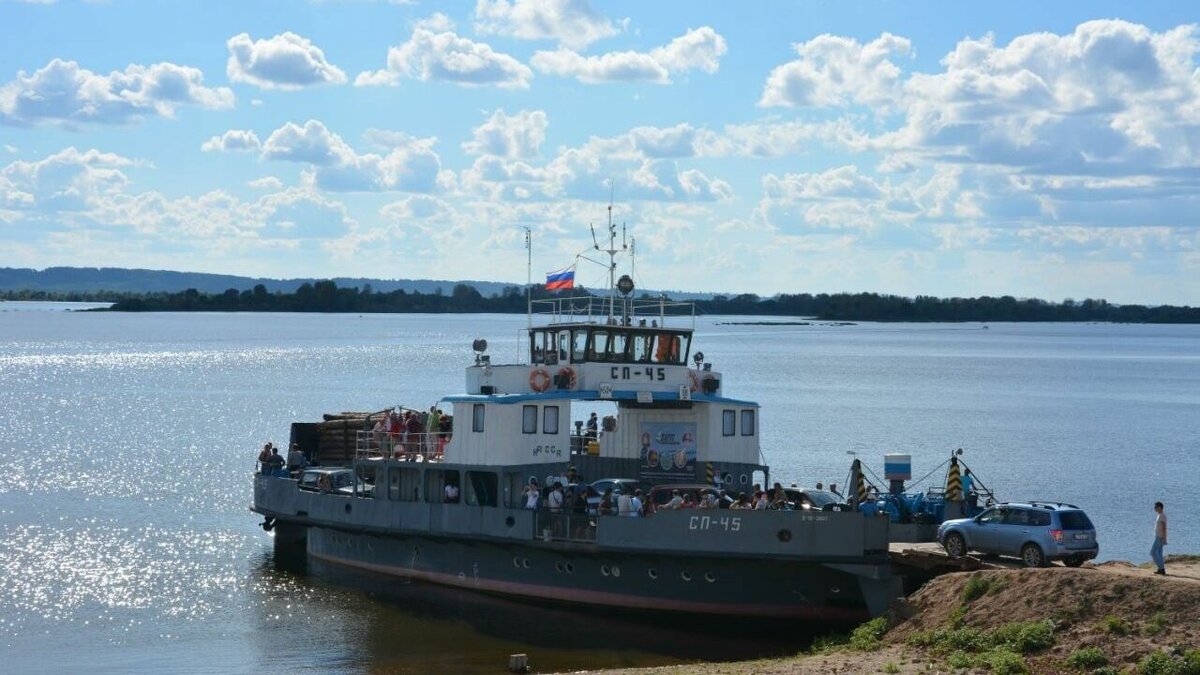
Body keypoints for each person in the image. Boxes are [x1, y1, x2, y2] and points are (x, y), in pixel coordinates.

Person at [1152, 501, 1168, 575]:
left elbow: (1164, 528)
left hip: (1159, 537)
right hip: (1159, 536)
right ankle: (1161, 569)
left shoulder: (1162, 516)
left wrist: (1164, 538)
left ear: (1159, 507)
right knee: (1159, 553)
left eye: (1155, 507)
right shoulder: (1160, 515)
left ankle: (1161, 568)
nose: (1154, 508)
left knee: (1153, 552)